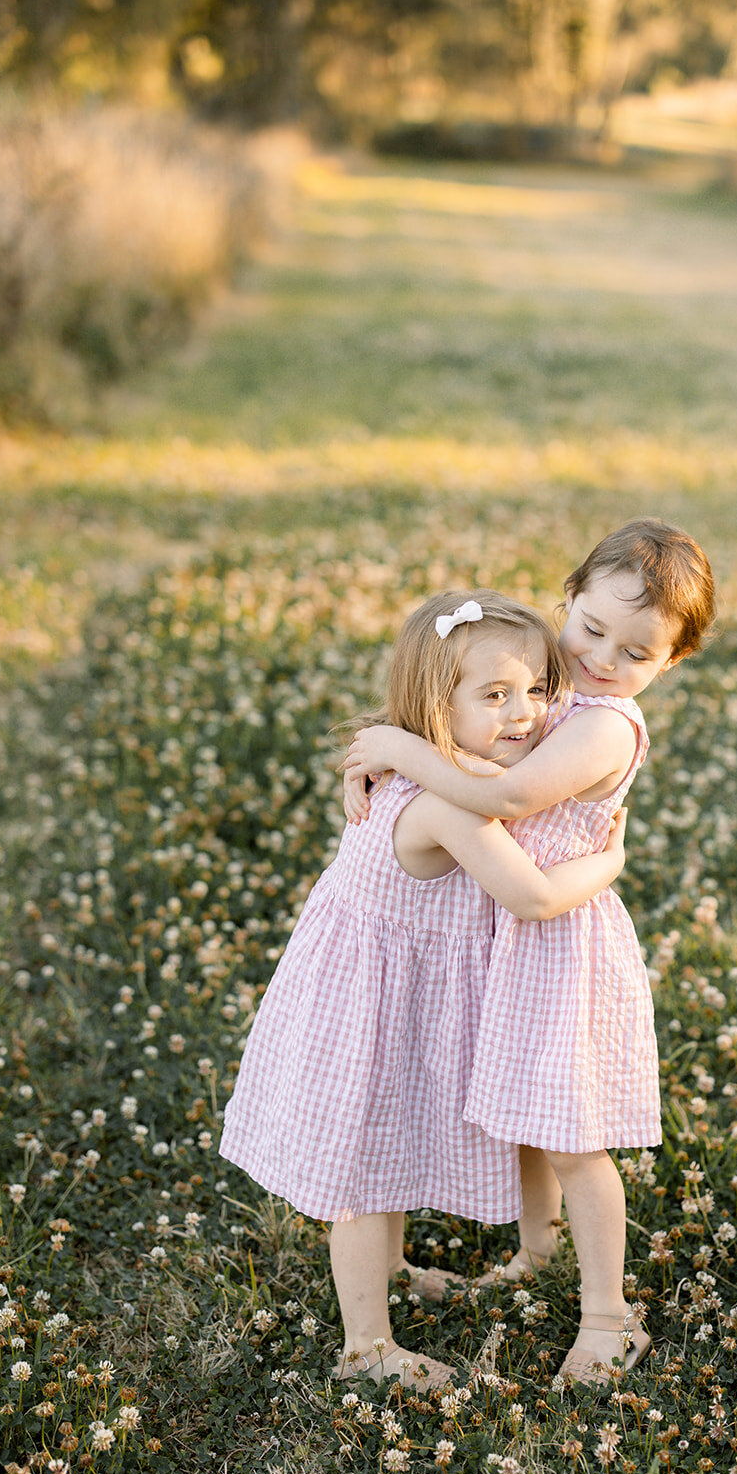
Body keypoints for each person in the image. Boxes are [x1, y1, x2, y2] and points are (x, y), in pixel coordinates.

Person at [219, 590, 630, 1390]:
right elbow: (534, 897)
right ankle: (365, 1348)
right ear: (433, 708)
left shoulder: (437, 762)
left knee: (389, 1138)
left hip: (391, 984)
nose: (526, 714)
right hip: (367, 1003)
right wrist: (612, 861)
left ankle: (406, 1267)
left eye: (538, 690)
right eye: (494, 695)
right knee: (366, 1168)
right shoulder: (446, 801)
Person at [343, 519, 716, 1385]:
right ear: (568, 601)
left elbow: (507, 793)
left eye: (636, 650)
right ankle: (539, 1252)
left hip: (557, 940)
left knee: (571, 1135)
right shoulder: (554, 687)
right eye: (588, 630)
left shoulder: (606, 726)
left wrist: (399, 751)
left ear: (670, 663)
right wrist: (377, 756)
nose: (601, 657)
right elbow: (468, 710)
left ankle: (607, 1319)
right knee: (519, 1113)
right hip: (506, 936)